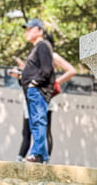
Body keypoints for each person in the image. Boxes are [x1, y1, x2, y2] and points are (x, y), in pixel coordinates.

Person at [11, 31, 76, 162]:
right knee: (30, 127)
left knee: (43, 127)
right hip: (33, 93)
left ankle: (41, 156)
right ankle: (38, 156)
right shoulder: (37, 54)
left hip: (43, 93)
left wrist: (55, 82)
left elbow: (71, 70)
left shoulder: (51, 54)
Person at [15, 18, 54, 163]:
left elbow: (47, 69)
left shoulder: (43, 46)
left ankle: (36, 154)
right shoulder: (37, 48)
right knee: (35, 123)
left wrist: (34, 83)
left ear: (39, 31)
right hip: (32, 91)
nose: (27, 32)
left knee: (38, 122)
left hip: (38, 90)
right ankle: (42, 156)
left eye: (31, 28)